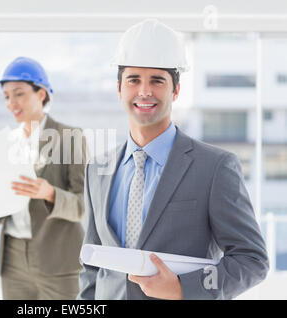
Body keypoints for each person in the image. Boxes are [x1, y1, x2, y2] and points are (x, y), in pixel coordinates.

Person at [78, 19, 269, 300]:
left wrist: (184, 289)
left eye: (157, 80)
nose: (144, 91)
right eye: (133, 80)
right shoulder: (98, 169)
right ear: (119, 89)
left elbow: (251, 259)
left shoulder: (214, 168)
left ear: (175, 90)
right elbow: (93, 266)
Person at [0, 57, 88, 299]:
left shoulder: (70, 137)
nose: (11, 103)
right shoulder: (5, 143)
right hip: (13, 258)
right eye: (6, 96)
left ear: (41, 94)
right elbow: (0, 198)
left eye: (19, 94)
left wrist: (50, 193)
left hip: (59, 257)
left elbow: (83, 206)